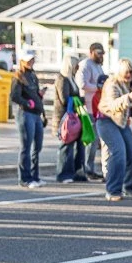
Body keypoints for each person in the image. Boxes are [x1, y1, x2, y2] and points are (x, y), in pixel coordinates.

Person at [96, 58, 132, 201]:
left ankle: (129, 187)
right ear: (119, 72)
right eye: (126, 72)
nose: (129, 74)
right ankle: (113, 190)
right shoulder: (111, 84)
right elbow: (114, 105)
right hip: (106, 120)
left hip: (122, 122)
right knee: (118, 152)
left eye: (131, 71)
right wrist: (130, 97)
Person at [10, 47, 47, 189]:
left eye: (32, 59)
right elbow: (14, 96)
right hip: (25, 114)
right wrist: (26, 103)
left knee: (37, 146)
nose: (31, 62)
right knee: (26, 146)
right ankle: (24, 178)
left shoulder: (32, 75)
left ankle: (34, 176)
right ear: (22, 61)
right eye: (28, 60)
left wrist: (39, 95)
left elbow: (35, 93)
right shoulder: (18, 77)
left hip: (36, 114)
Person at [53, 54, 85, 182]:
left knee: (77, 146)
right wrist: (80, 100)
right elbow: (64, 99)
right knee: (66, 146)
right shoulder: (62, 79)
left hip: (74, 118)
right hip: (64, 118)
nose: (77, 68)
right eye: (76, 65)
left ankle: (76, 171)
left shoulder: (71, 79)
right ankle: (63, 173)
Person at [77, 42, 105, 179]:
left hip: (97, 108)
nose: (101, 56)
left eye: (103, 53)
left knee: (95, 141)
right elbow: (82, 84)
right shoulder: (86, 65)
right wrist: (98, 87)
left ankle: (90, 168)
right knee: (90, 140)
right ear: (92, 52)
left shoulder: (99, 67)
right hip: (88, 107)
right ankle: (86, 169)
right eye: (99, 53)